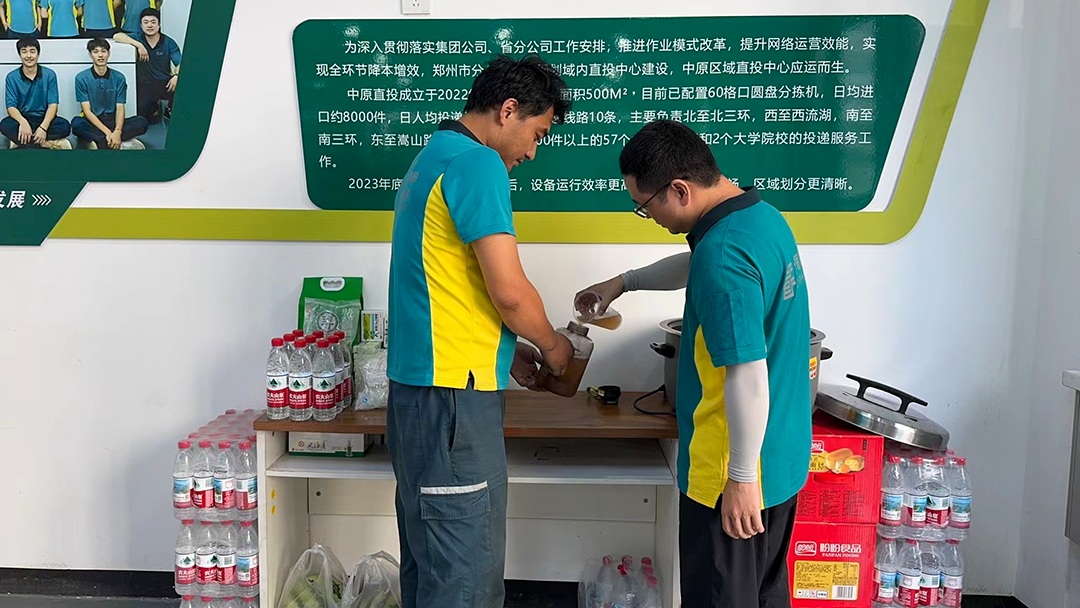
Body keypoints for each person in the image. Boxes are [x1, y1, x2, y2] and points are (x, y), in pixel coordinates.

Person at [577, 120, 810, 607]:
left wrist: (740, 478)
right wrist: (623, 283)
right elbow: (701, 261)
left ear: (679, 189)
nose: (649, 216)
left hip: (729, 475)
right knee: (764, 594)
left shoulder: (722, 254)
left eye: (645, 206)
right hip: (780, 458)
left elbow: (747, 374)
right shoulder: (758, 218)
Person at [386, 54, 573, 608]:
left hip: (418, 395)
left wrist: (505, 350)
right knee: (465, 572)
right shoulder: (479, 163)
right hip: (454, 402)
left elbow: (450, 283)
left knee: (430, 560)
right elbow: (509, 291)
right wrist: (554, 346)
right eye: (537, 134)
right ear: (508, 110)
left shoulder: (431, 157)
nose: (532, 152)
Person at [71, 38, 147, 149]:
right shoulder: (81, 78)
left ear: (109, 53)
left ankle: (100, 142)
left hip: (112, 120)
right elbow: (87, 111)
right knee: (76, 124)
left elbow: (120, 108)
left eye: (103, 51)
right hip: (93, 122)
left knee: (142, 122)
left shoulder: (119, 77)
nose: (100, 55)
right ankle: (117, 142)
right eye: (96, 52)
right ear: (90, 55)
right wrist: (108, 132)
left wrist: (117, 131)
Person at [2, 37, 71, 148]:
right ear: (19, 55)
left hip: (43, 118)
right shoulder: (12, 77)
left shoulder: (49, 75)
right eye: (24, 51)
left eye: (32, 51)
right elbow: (11, 107)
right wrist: (23, 123)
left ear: (38, 54)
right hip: (23, 118)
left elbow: (53, 105)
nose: (28, 56)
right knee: (5, 125)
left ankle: (23, 143)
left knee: (65, 126)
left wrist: (43, 128)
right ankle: (46, 144)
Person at [113, 8, 178, 121]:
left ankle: (169, 109)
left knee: (182, 82)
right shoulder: (138, 38)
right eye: (146, 22)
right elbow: (117, 36)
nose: (149, 25)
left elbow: (180, 63)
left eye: (153, 22)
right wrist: (139, 45)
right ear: (141, 26)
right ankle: (154, 106)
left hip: (164, 83)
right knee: (143, 113)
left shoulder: (169, 42)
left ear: (159, 25)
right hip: (144, 85)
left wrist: (176, 76)